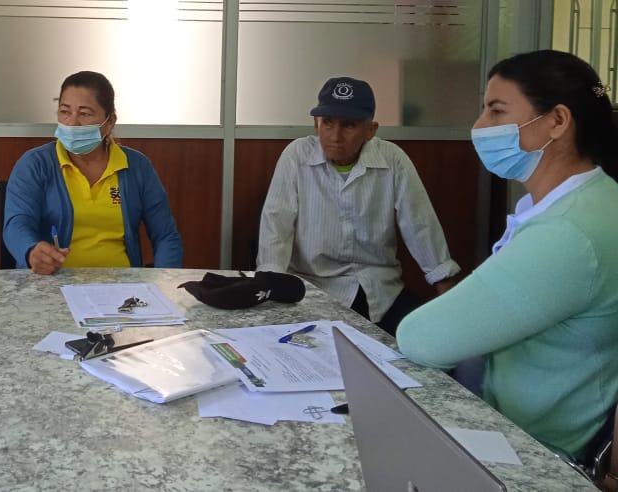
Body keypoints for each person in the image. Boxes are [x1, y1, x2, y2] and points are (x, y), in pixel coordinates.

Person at [397, 50, 618, 460]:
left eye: (496, 111)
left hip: (533, 449)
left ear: (557, 121)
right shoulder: (593, 198)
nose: (480, 126)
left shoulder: (569, 233)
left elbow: (422, 339)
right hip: (513, 415)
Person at [256, 76, 459, 335]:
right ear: (316, 124)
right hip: (313, 288)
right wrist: (272, 284)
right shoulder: (297, 156)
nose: (335, 136)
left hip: (380, 290)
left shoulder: (392, 160)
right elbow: (276, 224)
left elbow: (419, 223)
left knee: (425, 339)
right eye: (327, 123)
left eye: (348, 125)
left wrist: (445, 286)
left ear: (371, 130)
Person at [3, 70, 183, 274]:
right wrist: (31, 250)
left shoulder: (137, 167)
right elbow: (16, 223)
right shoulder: (35, 164)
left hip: (122, 286)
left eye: (85, 114)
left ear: (110, 122)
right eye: (65, 111)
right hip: (52, 284)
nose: (72, 123)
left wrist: (166, 279)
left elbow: (165, 235)